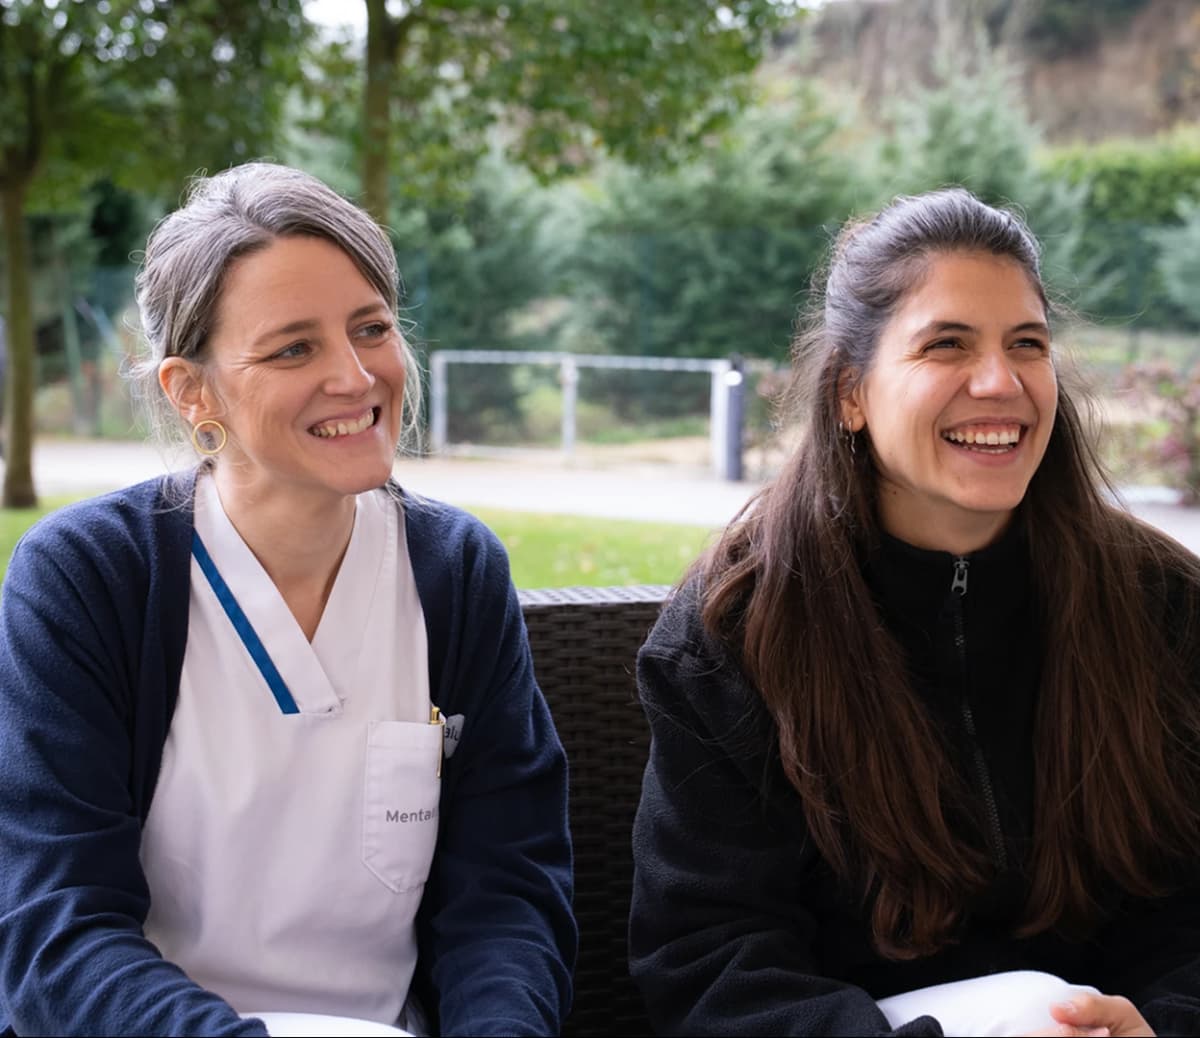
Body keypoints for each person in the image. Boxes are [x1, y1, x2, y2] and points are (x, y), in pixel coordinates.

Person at [0, 162, 575, 1037]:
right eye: (293, 348)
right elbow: (57, 927)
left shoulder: (455, 573)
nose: (355, 376)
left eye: (371, 328)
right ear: (193, 392)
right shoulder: (88, 581)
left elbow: (506, 895)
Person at [629, 187, 1200, 1037]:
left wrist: (1164, 1022)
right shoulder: (737, 629)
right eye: (947, 345)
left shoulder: (1159, 603)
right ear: (852, 394)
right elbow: (709, 955)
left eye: (1027, 344)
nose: (1000, 382)